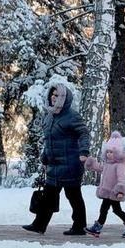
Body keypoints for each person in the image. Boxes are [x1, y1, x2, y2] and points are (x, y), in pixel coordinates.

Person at [23, 82, 90, 235]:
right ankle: (39, 225)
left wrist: (84, 152)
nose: (54, 98)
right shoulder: (49, 117)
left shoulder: (72, 116)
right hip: (54, 165)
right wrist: (45, 158)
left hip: (71, 163)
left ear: (64, 98)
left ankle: (79, 226)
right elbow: (49, 141)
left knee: (73, 195)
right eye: (52, 95)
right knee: (48, 195)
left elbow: (84, 133)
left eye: (57, 95)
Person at [83, 131, 125, 238]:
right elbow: (100, 168)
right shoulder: (108, 164)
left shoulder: (119, 165)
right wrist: (92, 164)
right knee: (105, 209)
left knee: (116, 210)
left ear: (117, 153)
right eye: (107, 152)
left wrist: (120, 191)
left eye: (111, 152)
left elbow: (121, 178)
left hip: (114, 192)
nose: (109, 154)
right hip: (107, 192)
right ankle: (97, 228)